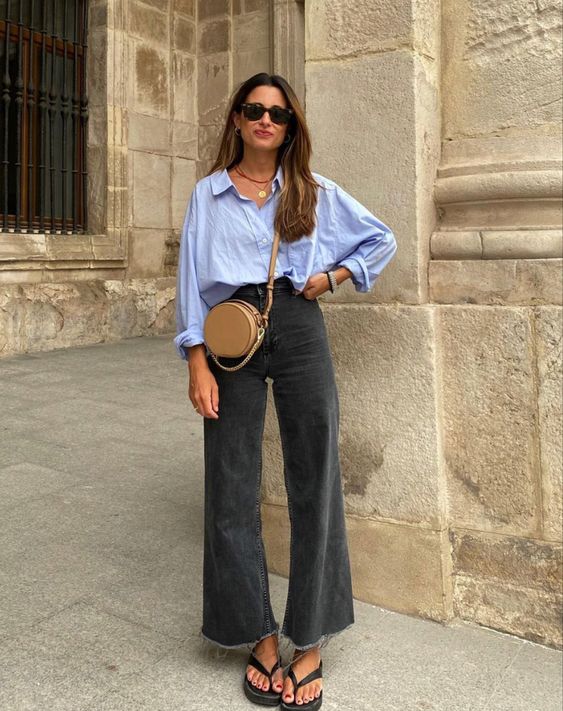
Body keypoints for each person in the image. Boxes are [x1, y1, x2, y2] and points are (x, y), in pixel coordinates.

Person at [174, 73, 397, 710]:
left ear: (290, 125)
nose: (265, 120)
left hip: (297, 326)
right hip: (228, 333)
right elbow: (190, 279)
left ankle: (311, 640)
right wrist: (195, 360)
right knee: (230, 480)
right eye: (254, 110)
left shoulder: (311, 191)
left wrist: (332, 276)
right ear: (238, 121)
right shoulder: (208, 197)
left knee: (314, 477)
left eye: (277, 112)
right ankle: (257, 636)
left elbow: (381, 238)